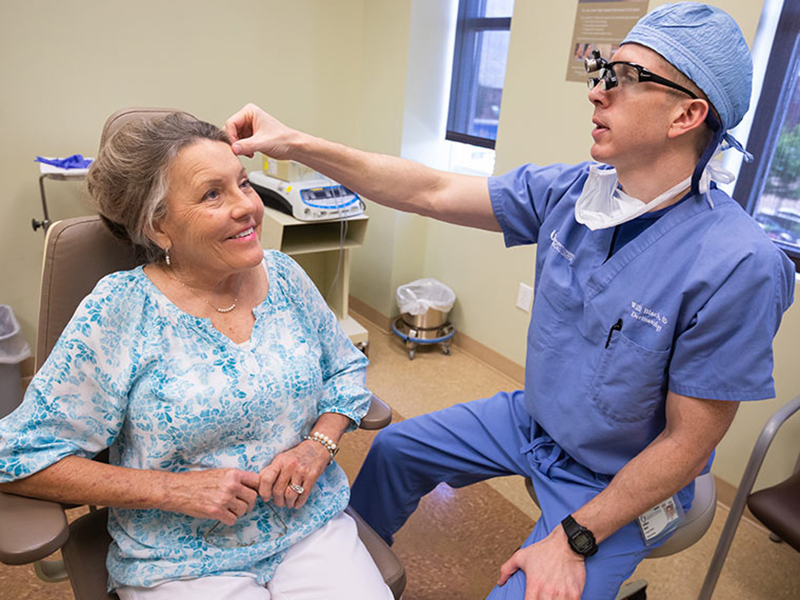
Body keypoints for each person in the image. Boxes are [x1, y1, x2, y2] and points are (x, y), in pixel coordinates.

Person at [224, 4, 795, 599]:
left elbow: (688, 444)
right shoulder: (574, 192)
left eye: (623, 78)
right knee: (393, 449)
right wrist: (293, 143)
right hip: (535, 420)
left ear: (688, 114)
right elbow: (431, 188)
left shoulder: (738, 265)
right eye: (605, 71)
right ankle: (352, 570)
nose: (597, 94)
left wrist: (575, 538)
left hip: (617, 478)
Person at [0, 113, 394, 600]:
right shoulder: (120, 311)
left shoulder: (286, 276)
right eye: (213, 194)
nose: (247, 207)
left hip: (307, 524)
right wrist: (172, 489)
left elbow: (346, 369)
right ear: (158, 226)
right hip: (179, 558)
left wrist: (319, 444)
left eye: (244, 183)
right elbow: (18, 457)